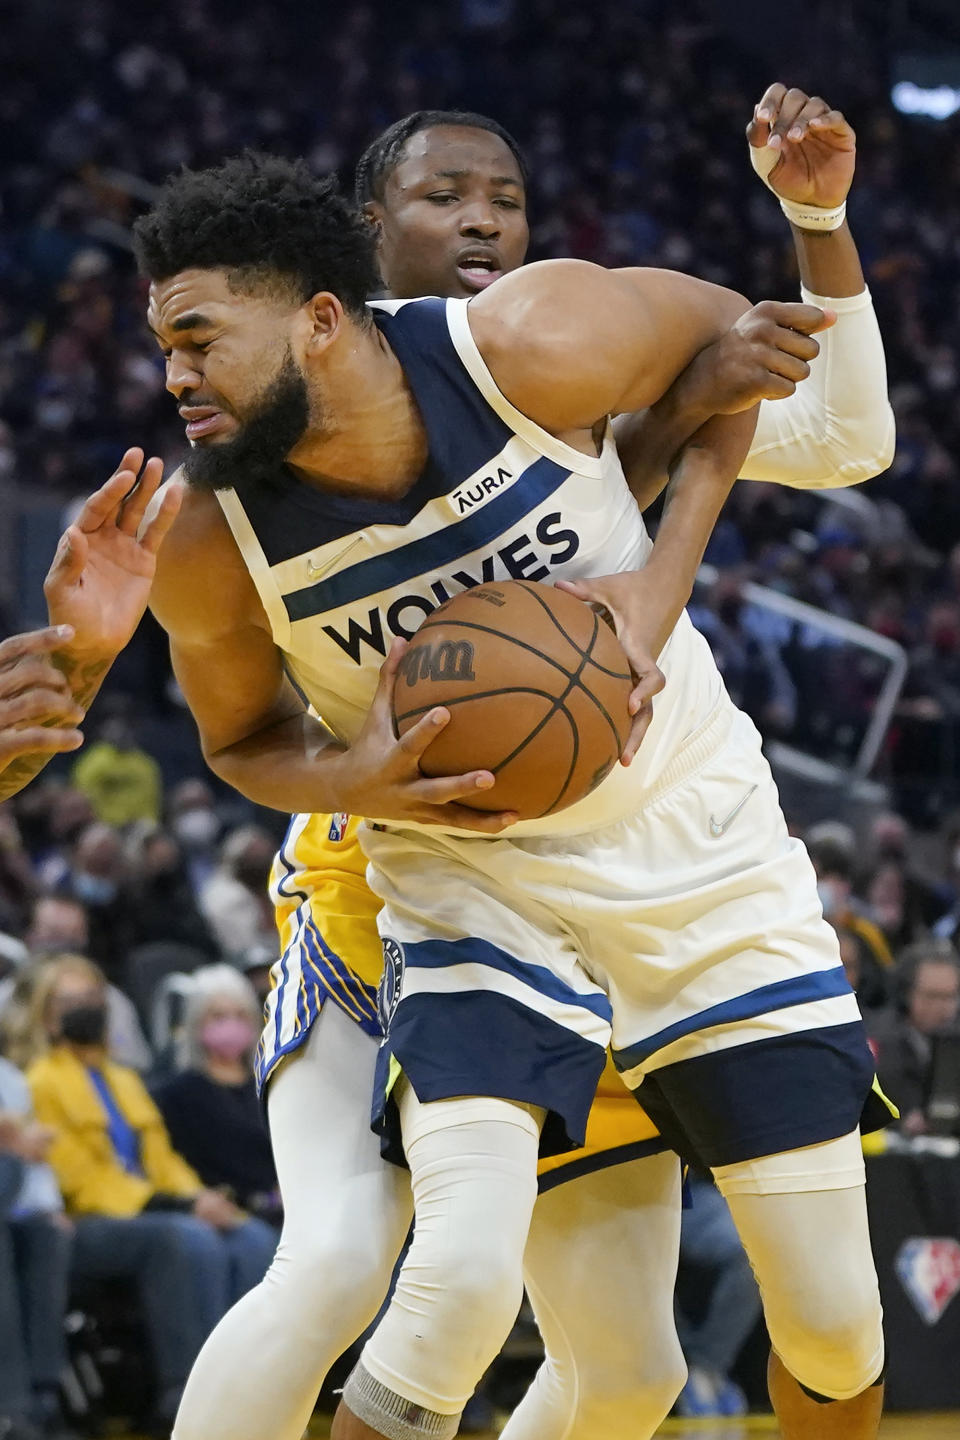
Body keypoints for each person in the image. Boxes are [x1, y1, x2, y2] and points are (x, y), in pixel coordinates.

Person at [124, 90, 889, 1440]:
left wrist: (815, 228)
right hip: (435, 871)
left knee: (699, 1353)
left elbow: (796, 405)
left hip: (682, 850)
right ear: (363, 242)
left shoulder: (550, 340)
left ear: (317, 314)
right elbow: (240, 736)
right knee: (387, 1272)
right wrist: (343, 779)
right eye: (442, 197)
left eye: (506, 198)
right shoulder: (213, 522)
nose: (480, 219)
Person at [25, 955, 277, 1433]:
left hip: (151, 1212)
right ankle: (186, 1394)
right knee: (184, 1239)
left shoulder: (124, 1080)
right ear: (47, 1014)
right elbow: (82, 1181)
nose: (85, 1009)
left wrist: (203, 1199)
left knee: (251, 1238)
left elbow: (163, 1161)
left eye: (91, 999)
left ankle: (254, 1389)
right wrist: (181, 1207)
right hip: (84, 1221)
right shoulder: (42, 1080)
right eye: (70, 1001)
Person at [152, 965, 280, 1225]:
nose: (231, 1025)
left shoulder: (270, 1085)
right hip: (226, 1211)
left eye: (240, 1016)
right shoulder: (177, 1094)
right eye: (218, 1016)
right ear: (196, 1023)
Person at [0, 1054, 74, 1440]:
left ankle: (45, 1394)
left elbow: (35, 1162)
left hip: (15, 1199)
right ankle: (10, 1409)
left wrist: (49, 1207)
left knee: (46, 1235)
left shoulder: (9, 1077)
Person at [872, 939, 960, 1136]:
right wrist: (903, 1122)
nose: (943, 1008)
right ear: (905, 994)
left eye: (950, 997)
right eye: (932, 996)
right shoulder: (879, 1042)